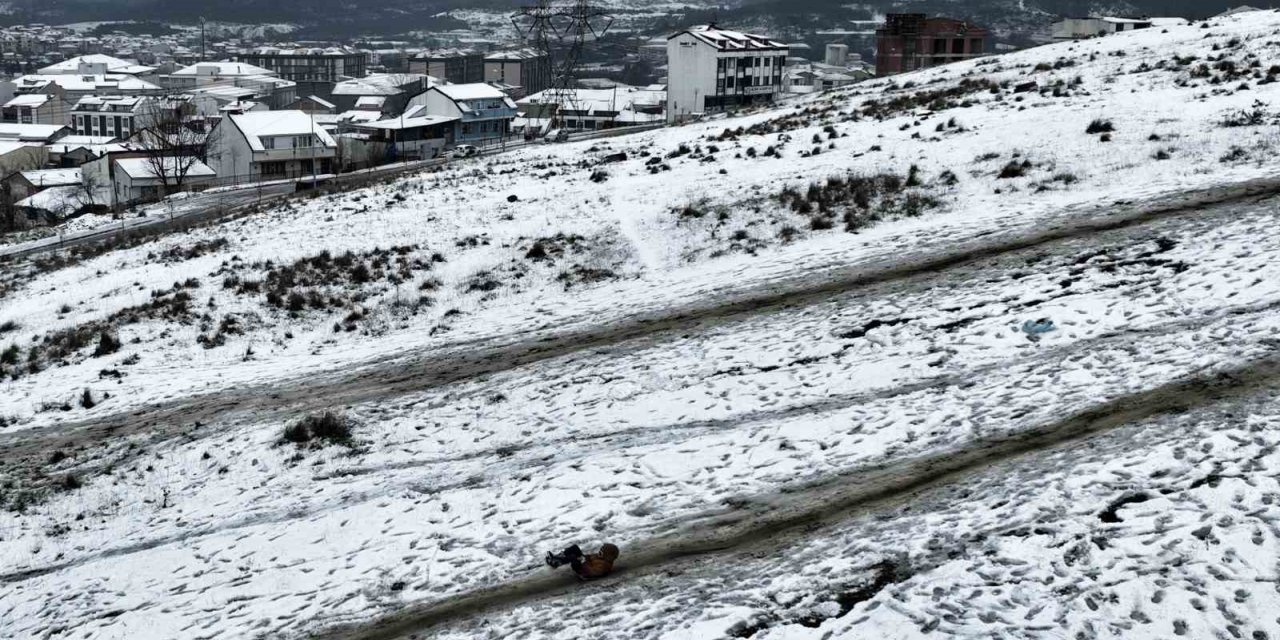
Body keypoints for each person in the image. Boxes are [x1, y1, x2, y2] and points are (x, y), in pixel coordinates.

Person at [545, 543, 620, 580]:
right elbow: (590, 557)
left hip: (584, 572)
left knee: (573, 557)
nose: (599, 553)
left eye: (601, 553)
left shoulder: (603, 565)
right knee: (575, 548)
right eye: (600, 551)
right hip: (585, 565)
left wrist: (583, 562)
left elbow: (592, 572)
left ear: (608, 556)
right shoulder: (600, 558)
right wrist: (584, 557)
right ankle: (557, 557)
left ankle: (557, 562)